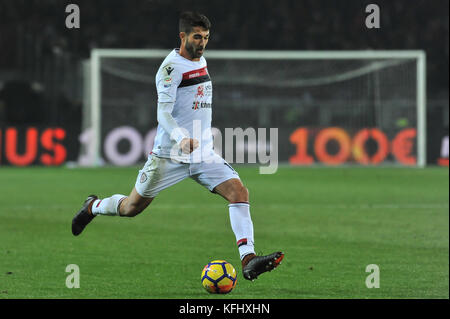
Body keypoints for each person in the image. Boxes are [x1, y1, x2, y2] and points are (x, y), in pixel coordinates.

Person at [72, 11, 284, 281]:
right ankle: (94, 206)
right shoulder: (170, 69)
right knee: (131, 208)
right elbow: (163, 113)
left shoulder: (200, 59)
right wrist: (181, 138)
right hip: (170, 154)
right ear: (182, 36)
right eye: (197, 37)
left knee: (239, 192)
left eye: (206, 37)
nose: (203, 42)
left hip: (203, 152)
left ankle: (248, 258)